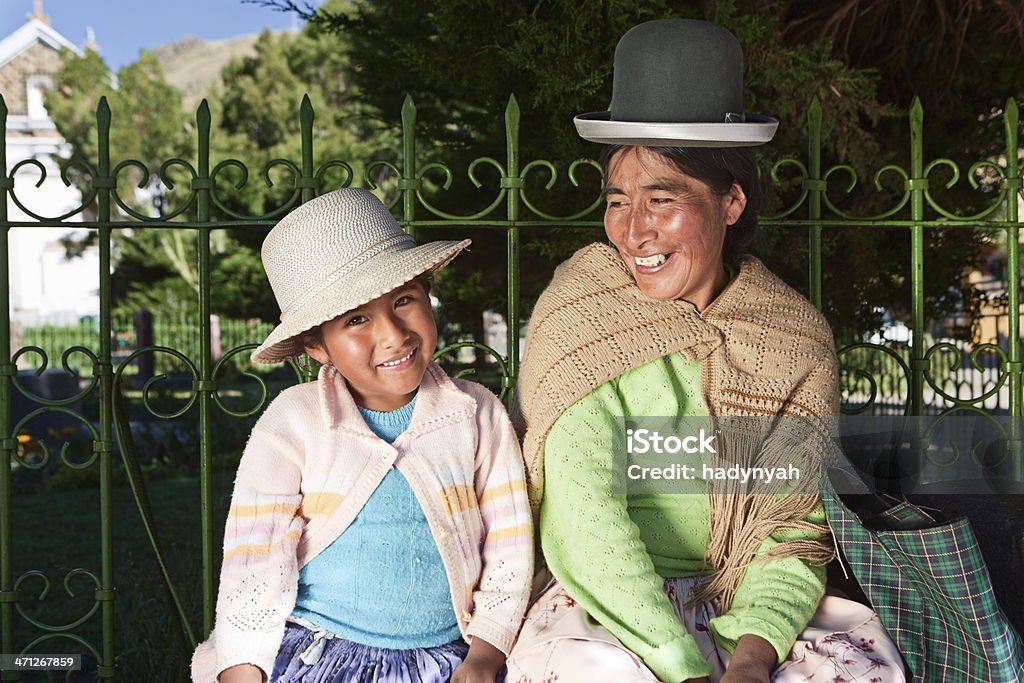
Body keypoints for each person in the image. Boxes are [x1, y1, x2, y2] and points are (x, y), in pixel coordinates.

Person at [505, 19, 905, 683]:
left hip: (747, 604)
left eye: (662, 199)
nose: (633, 230)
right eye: (617, 201)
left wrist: (751, 658)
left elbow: (788, 530)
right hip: (613, 608)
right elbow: (583, 520)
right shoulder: (581, 320)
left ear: (730, 202)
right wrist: (685, 668)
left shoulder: (792, 340)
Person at [190, 188, 533, 683]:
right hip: (321, 653)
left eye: (404, 300)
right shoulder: (295, 421)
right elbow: (257, 554)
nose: (394, 334)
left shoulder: (476, 414)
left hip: (447, 659)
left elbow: (509, 545)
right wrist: (242, 668)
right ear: (315, 344)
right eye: (357, 320)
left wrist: (485, 654)